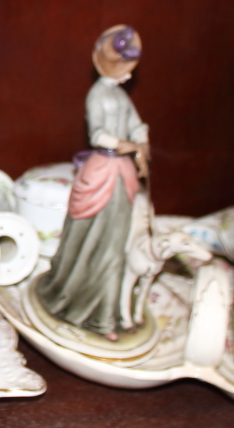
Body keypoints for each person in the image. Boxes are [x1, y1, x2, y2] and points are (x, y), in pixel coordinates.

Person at [32, 25, 149, 340]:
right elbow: (98, 134)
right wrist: (125, 145)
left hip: (120, 174)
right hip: (103, 172)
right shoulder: (98, 94)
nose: (126, 72)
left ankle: (104, 314)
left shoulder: (120, 96)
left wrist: (140, 138)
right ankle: (76, 298)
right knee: (90, 237)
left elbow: (136, 124)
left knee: (114, 245)